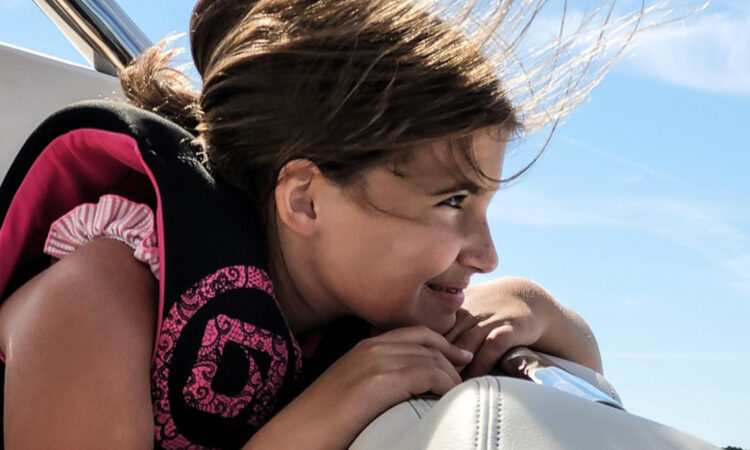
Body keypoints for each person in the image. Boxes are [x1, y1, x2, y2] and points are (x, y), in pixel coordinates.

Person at [0, 0, 649, 448]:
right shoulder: (99, 297)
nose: (486, 255)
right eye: (453, 203)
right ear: (306, 200)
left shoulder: (365, 301)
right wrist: (317, 421)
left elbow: (584, 381)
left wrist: (538, 310)